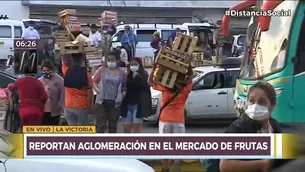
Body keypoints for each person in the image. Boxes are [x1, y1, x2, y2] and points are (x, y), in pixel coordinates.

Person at [219, 81, 282, 172]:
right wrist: (263, 164)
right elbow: (225, 166)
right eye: (251, 100)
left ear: (272, 105)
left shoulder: (274, 126)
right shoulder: (239, 127)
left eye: (261, 102)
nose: (255, 105)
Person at [149, 65, 193, 172]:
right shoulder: (185, 89)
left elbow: (150, 82)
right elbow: (191, 76)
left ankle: (166, 168)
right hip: (178, 122)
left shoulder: (165, 88)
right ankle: (177, 169)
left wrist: (154, 69)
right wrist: (188, 65)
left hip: (164, 121)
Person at [93, 51, 127, 133]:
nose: (110, 62)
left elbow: (124, 87)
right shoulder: (102, 71)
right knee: (101, 126)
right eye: (109, 60)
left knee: (113, 126)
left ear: (117, 60)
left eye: (112, 60)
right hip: (102, 103)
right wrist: (98, 91)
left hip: (115, 104)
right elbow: (94, 82)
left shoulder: (122, 74)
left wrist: (122, 96)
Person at [121, 58, 151, 133]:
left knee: (136, 127)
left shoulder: (144, 74)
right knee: (126, 128)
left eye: (135, 64)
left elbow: (146, 87)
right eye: (132, 65)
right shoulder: (127, 75)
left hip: (138, 104)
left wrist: (138, 78)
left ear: (139, 65)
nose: (133, 66)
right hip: (128, 104)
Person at [62, 53, 94, 125]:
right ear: (82, 61)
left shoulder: (66, 71)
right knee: (82, 130)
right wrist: (91, 106)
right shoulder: (87, 75)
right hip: (82, 106)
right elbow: (90, 94)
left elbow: (64, 58)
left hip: (68, 106)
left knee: (72, 131)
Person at [39, 60, 64, 125]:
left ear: (52, 70)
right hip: (43, 109)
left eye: (48, 70)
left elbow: (63, 91)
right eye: (44, 71)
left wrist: (61, 103)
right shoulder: (39, 81)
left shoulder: (59, 79)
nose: (46, 72)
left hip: (55, 109)